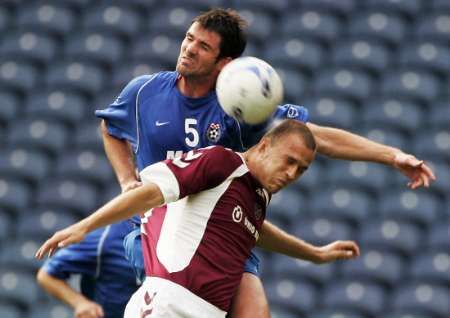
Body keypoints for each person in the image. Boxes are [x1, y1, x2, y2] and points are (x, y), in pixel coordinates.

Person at [95, 8, 436, 317]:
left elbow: (314, 136)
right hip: (157, 230)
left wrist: (392, 155)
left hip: (223, 233)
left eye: (203, 47)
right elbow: (111, 128)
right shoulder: (144, 91)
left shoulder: (241, 108)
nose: (188, 49)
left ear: (224, 63)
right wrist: (127, 179)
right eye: (189, 38)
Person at [36, 120, 361, 318]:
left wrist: (315, 254)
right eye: (289, 161)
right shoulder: (222, 162)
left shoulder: (256, 198)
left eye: (301, 169)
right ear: (263, 146)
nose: (292, 174)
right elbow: (149, 193)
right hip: (166, 307)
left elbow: (256, 231)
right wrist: (84, 226)